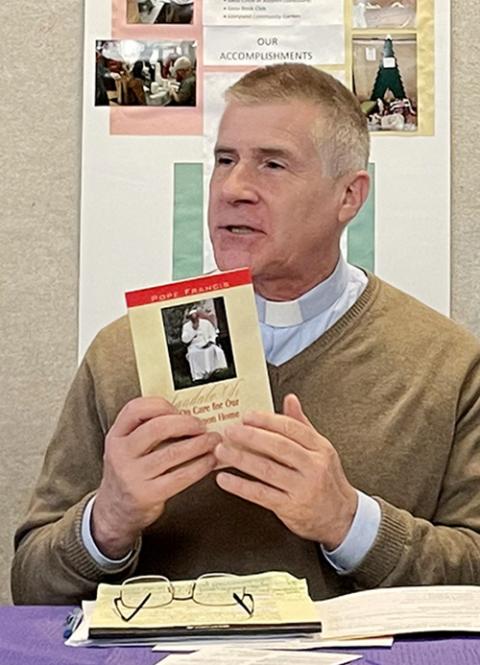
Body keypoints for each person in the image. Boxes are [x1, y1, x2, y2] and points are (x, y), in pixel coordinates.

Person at [11, 64, 480, 605]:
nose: (233, 189)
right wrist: (107, 523)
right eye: (225, 161)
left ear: (349, 197)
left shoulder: (449, 366)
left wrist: (350, 523)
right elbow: (29, 587)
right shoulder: (123, 354)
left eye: (272, 164)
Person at [181, 309, 227, 382]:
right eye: (192, 318)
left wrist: (210, 342)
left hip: (207, 343)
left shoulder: (206, 323)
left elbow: (212, 334)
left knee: (217, 351)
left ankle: (215, 371)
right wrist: (193, 330)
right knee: (193, 354)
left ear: (198, 316)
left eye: (195, 317)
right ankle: (199, 376)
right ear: (190, 318)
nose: (194, 319)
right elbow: (184, 339)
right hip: (194, 346)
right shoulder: (186, 326)